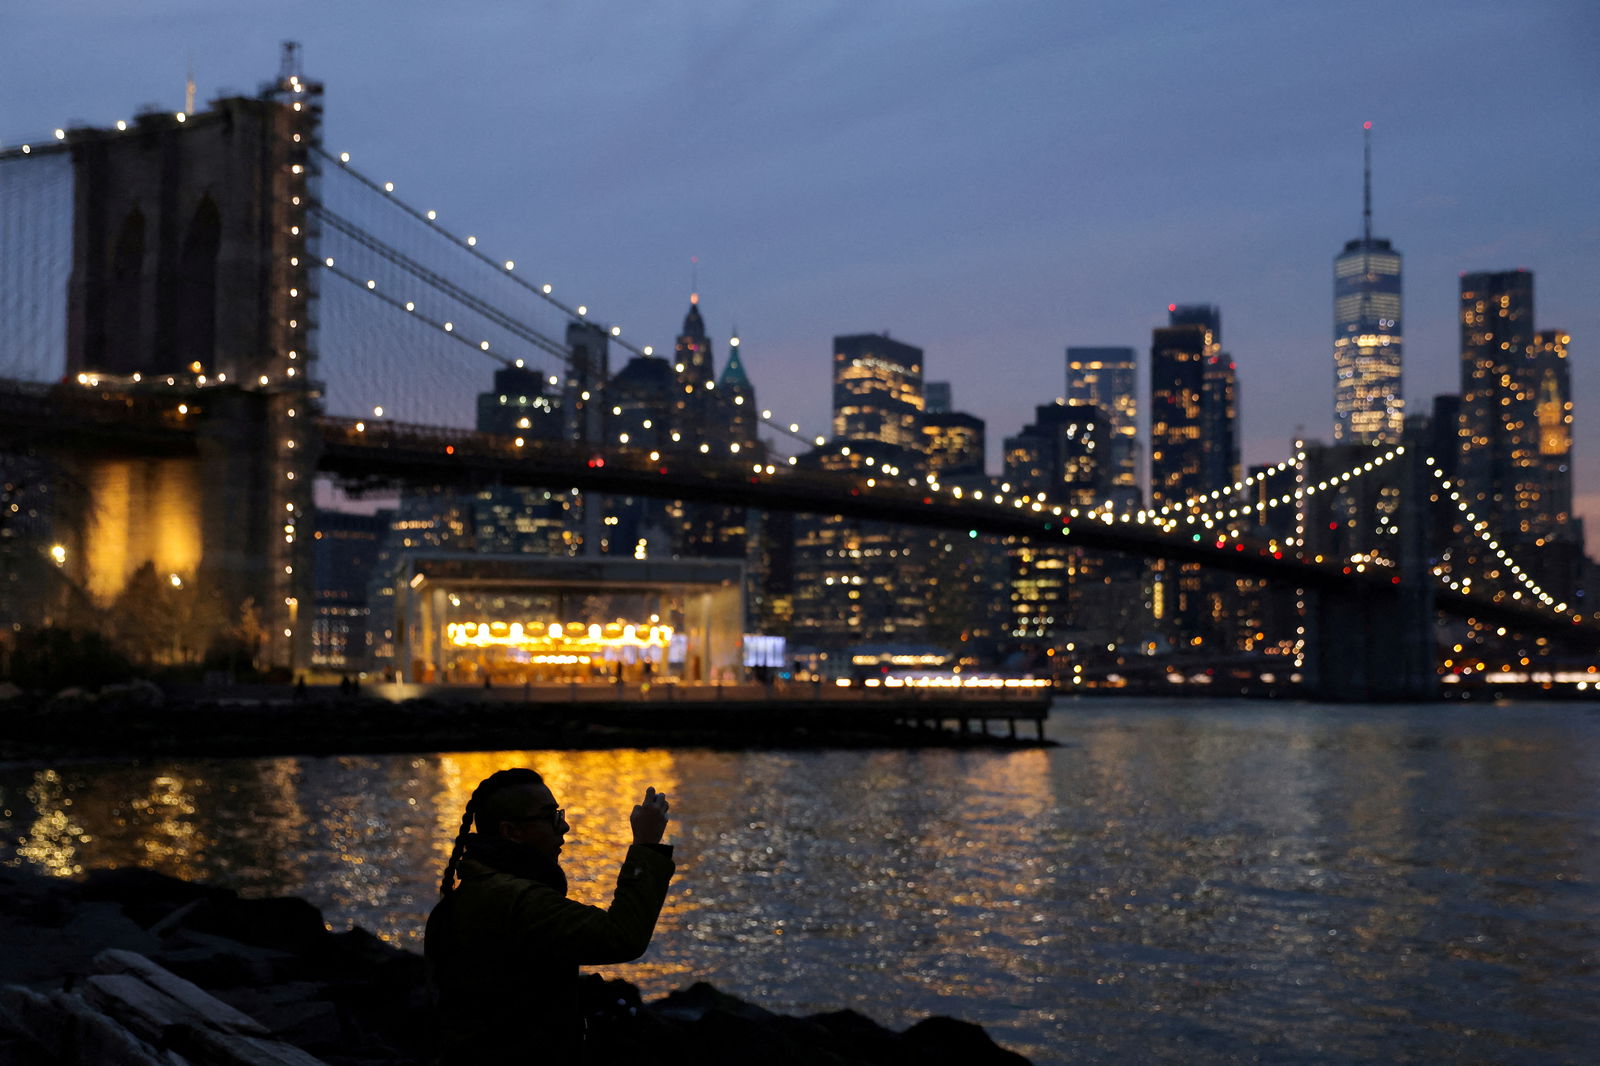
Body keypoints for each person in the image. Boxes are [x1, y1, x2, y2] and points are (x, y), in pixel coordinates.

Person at [425, 768, 674, 1063]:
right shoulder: (518, 901)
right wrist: (646, 847)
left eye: (560, 814)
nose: (564, 827)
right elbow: (622, 936)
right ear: (510, 832)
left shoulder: (474, 894)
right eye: (551, 817)